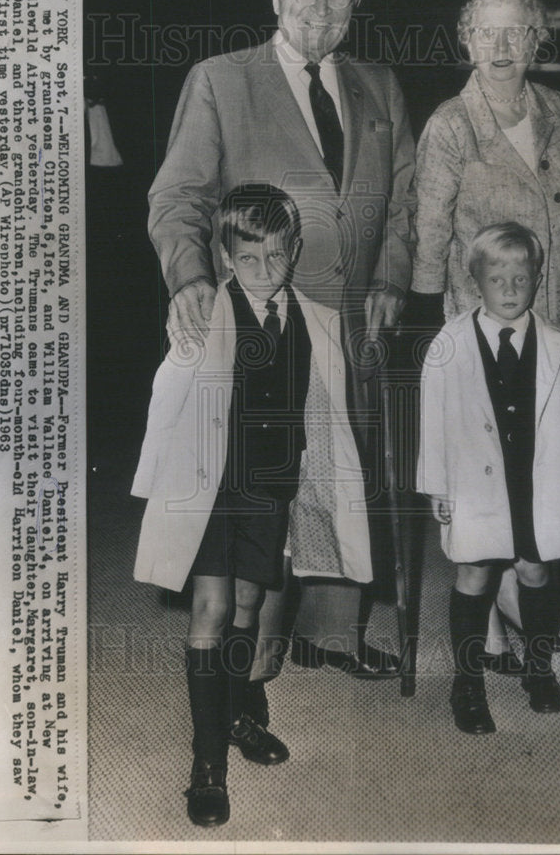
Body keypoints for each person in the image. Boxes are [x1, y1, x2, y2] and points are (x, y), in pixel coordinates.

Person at [147, 0, 416, 715]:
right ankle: (246, 660)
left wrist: (393, 277)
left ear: (354, 4)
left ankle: (331, 633)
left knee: (338, 479)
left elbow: (399, 205)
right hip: (258, 318)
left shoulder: (379, 86)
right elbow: (178, 196)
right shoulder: (221, 80)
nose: (322, 11)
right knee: (262, 482)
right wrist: (189, 276)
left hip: (352, 319)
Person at [132, 184, 373, 825]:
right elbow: (168, 398)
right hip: (208, 489)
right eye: (247, 259)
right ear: (225, 255)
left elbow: (325, 422)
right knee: (210, 608)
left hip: (270, 490)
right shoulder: (203, 312)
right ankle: (206, 763)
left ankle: (238, 712)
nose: (263, 273)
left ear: (294, 249)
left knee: (247, 605)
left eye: (275, 257)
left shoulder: (318, 321)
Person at [408, 0, 560, 671]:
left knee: (541, 474)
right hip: (479, 331)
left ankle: (524, 598)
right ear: (464, 41)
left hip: (552, 324)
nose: (498, 47)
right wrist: (430, 330)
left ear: (536, 41)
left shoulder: (558, 107)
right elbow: (428, 232)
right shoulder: (450, 124)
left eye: (514, 32)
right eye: (483, 33)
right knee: (486, 482)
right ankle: (487, 621)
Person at [417, 222, 560, 734]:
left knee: (535, 571)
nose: (511, 289)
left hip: (539, 478)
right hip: (473, 481)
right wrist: (436, 484)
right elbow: (432, 421)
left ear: (537, 279)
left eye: (522, 278)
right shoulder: (448, 345)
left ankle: (538, 668)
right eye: (498, 279)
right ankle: (467, 683)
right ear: (476, 279)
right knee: (474, 572)